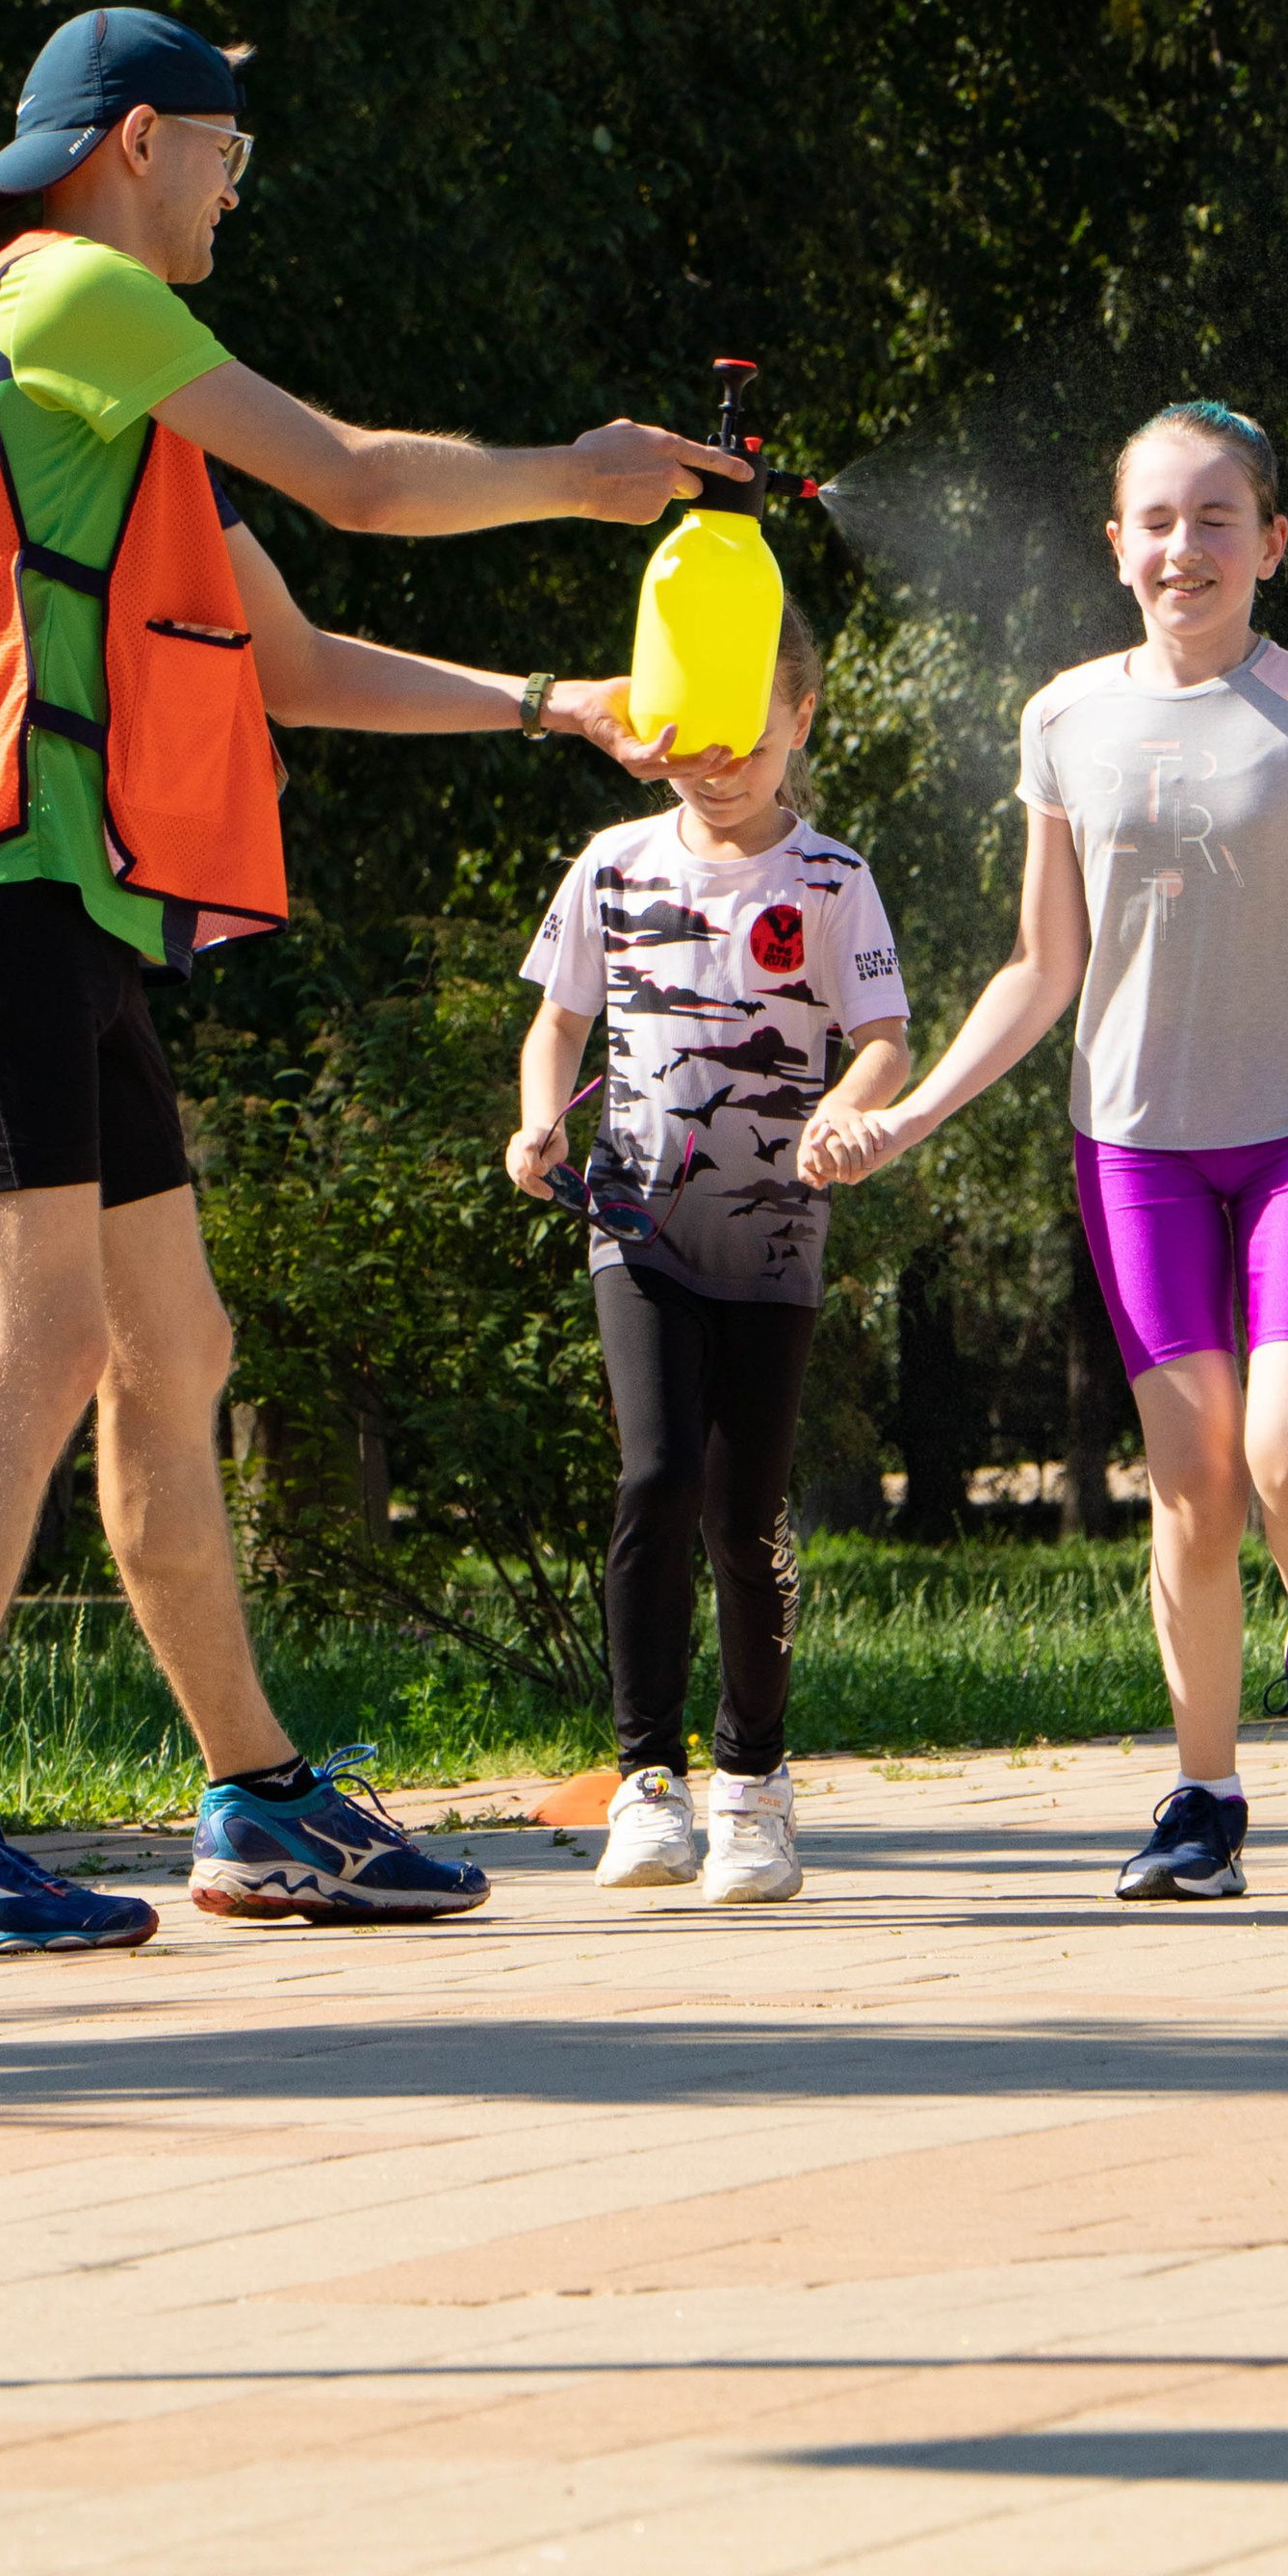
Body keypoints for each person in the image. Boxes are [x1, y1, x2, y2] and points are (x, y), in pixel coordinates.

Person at [0, 5, 748, 1957]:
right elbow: (353, 475)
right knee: (40, 1346)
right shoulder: (66, 290)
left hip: (75, 908)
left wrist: (555, 706)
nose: (237, 201)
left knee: (179, 1351)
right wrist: (578, 477)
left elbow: (298, 659)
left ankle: (250, 1801)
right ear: (139, 140)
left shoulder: (123, 406)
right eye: (230, 162)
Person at [801, 399, 1288, 1901]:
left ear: (1273, 543)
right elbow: (1044, 970)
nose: (1187, 545)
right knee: (1193, 1478)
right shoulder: (1064, 721)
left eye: (1218, 516)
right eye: (1157, 520)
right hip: (1137, 1151)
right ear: (1116, 548)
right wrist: (908, 1113)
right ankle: (1204, 1800)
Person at [505, 600, 910, 1905]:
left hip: (778, 1238)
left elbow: (885, 1039)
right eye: (692, 730)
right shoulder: (612, 864)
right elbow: (558, 1022)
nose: (719, 759)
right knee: (656, 1476)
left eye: (747, 731)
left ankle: (754, 1787)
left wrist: (854, 1109)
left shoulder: (834, 880)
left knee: (744, 1514)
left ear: (799, 719)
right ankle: (648, 1782)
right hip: (636, 1221)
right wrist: (531, 1120)